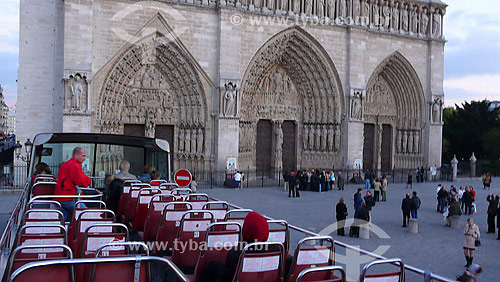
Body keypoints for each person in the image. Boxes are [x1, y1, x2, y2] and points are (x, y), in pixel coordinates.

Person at [200, 211, 292, 282]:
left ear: (245, 231)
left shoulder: (237, 254)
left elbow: (226, 279)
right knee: (214, 266)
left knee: (212, 268)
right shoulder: (277, 251)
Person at [54, 147, 91, 222]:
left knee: (64, 218)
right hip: (69, 197)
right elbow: (82, 182)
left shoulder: (65, 164)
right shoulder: (75, 166)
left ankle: (63, 231)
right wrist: (88, 179)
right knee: (85, 214)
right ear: (76, 155)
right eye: (83, 155)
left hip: (59, 196)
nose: (85, 158)